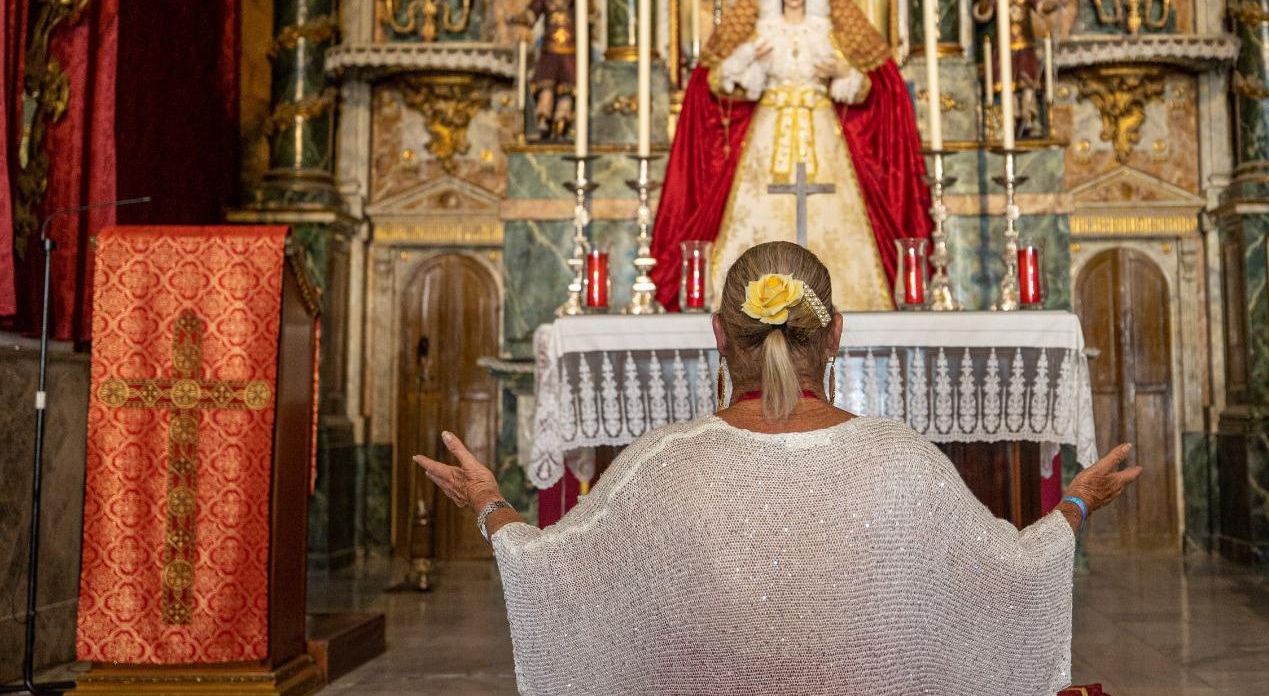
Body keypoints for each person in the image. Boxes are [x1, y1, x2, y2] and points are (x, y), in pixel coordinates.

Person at [417, 241, 1142, 695]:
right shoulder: (903, 459)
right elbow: (1012, 571)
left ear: (717, 337)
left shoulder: (663, 465)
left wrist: (489, 503)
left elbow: (555, 569)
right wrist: (1077, 501)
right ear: (835, 336)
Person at [651, 0, 930, 311]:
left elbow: (864, 90)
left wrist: (842, 74)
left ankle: (843, 299)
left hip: (821, 133)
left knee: (828, 212)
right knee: (763, 213)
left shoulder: (828, 32)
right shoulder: (760, 32)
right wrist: (747, 57)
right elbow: (719, 81)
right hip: (770, 132)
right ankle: (753, 303)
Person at [973, 0, 1060, 140]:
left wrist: (1052, 4)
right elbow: (984, 14)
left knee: (1028, 83)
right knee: (1007, 85)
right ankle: (1011, 120)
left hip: (1025, 43)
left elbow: (1040, 5)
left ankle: (1029, 119)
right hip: (1004, 46)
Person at [511, 0, 584, 140]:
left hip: (570, 50)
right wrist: (518, 18)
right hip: (550, 49)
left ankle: (562, 121)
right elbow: (531, 15)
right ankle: (543, 120)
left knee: (567, 91)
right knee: (546, 88)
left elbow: (585, 15)